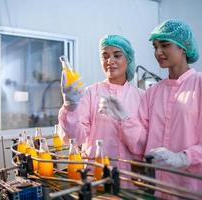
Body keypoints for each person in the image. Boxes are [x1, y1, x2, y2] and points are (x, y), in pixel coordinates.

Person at [99, 19, 202, 197]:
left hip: (191, 188)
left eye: (164, 45)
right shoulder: (153, 92)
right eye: (155, 47)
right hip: (157, 188)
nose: (158, 52)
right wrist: (125, 118)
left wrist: (183, 158)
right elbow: (142, 145)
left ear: (183, 48)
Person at [58, 35, 145, 181]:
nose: (110, 61)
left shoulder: (142, 97)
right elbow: (75, 139)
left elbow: (143, 144)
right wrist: (70, 107)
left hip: (131, 178)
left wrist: (126, 120)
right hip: (95, 177)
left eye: (117, 55)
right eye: (105, 56)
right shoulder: (90, 93)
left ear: (128, 59)